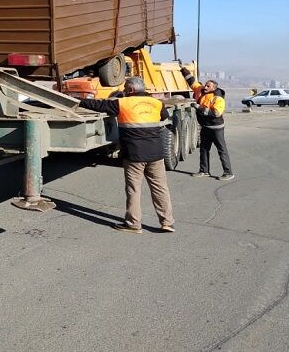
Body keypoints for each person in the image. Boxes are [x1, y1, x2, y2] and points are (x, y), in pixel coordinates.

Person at [79, 77, 175, 234]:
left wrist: (79, 101)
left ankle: (133, 224)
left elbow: (98, 105)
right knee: (160, 189)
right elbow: (164, 117)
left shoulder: (123, 103)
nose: (123, 91)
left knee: (133, 189)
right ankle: (167, 222)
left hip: (134, 154)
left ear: (130, 90)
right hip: (156, 154)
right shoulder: (157, 103)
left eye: (125, 88)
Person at [181, 68, 234, 180]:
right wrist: (183, 69)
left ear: (214, 88)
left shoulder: (218, 98)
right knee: (204, 149)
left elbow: (215, 113)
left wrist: (199, 107)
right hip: (205, 127)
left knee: (221, 150)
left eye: (208, 86)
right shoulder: (199, 90)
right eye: (205, 85)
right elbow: (191, 81)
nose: (205, 87)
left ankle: (228, 173)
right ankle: (204, 171)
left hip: (216, 128)